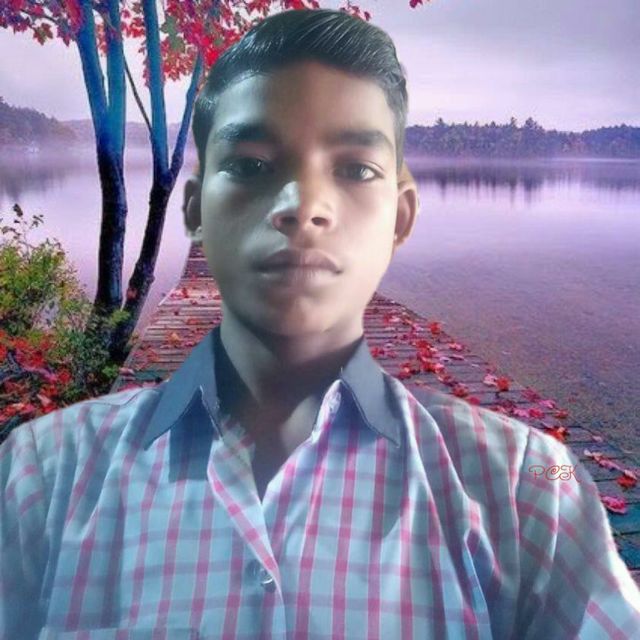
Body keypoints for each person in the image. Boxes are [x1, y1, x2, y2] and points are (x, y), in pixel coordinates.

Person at [1, 8, 639, 640]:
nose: (302, 205)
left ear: (400, 216)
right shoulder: (40, 477)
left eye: (356, 169)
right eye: (250, 164)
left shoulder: (527, 489)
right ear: (195, 210)